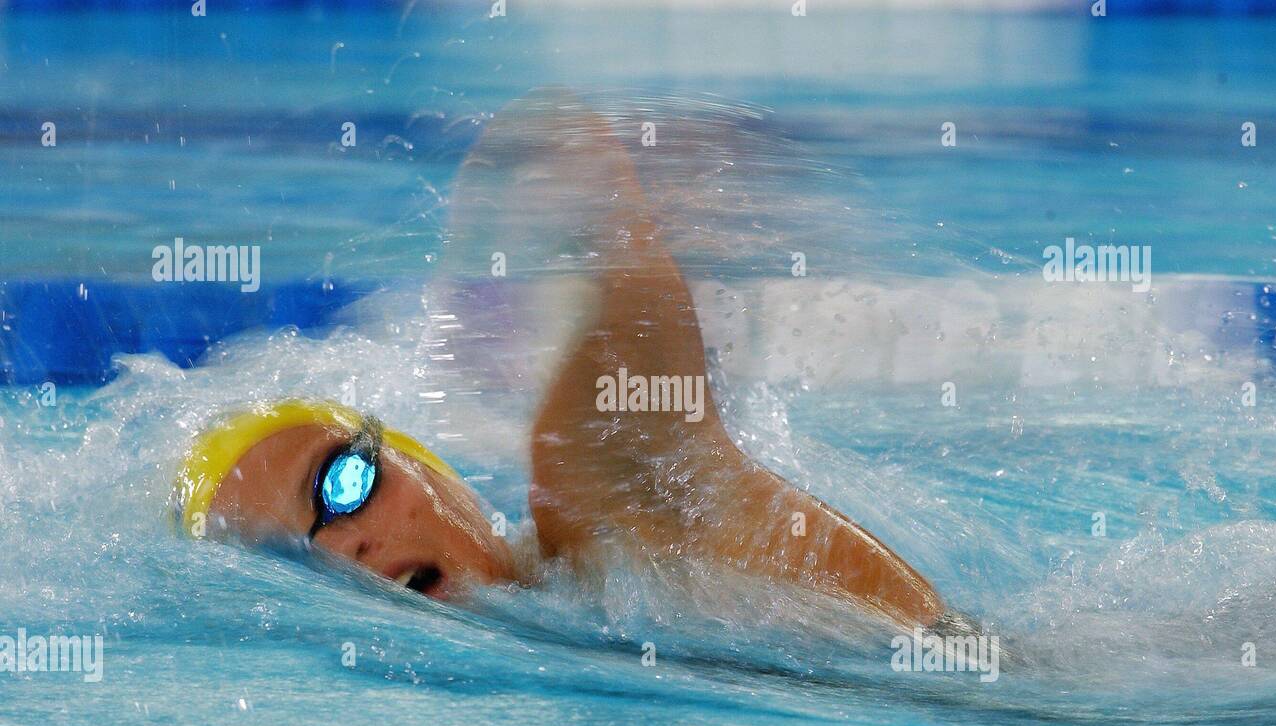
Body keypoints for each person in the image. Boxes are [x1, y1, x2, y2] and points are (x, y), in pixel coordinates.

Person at [172, 91, 952, 629]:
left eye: (345, 484)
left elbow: (566, 148)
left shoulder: (599, 514)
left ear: (433, 471)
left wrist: (524, 226)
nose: (348, 550)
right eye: (294, 563)